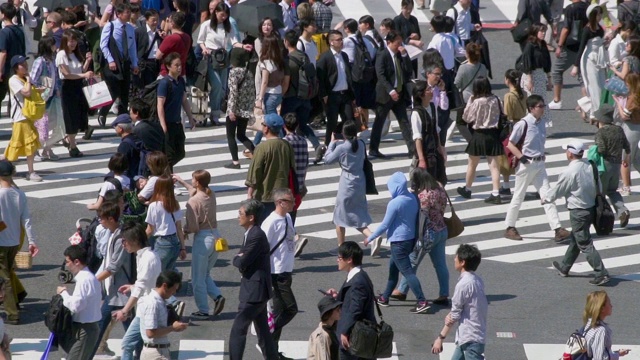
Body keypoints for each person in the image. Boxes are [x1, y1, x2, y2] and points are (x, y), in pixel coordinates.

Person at [503, 95, 571, 242]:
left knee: (548, 196)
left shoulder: (541, 122)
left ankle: (557, 229)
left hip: (540, 164)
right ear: (531, 108)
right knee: (518, 196)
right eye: (540, 106)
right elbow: (510, 143)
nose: (543, 108)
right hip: (526, 165)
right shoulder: (523, 124)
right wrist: (522, 157)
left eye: (543, 105)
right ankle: (509, 227)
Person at [547, 140, 611, 286]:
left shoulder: (569, 171)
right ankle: (564, 267)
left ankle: (601, 273)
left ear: (570, 153)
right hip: (591, 208)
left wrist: (546, 199)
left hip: (578, 211)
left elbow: (559, 189)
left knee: (584, 242)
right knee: (577, 238)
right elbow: (598, 185)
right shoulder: (590, 165)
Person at [366, 172, 429, 314]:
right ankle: (384, 297)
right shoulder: (412, 197)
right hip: (410, 240)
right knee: (393, 271)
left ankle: (421, 300)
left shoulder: (395, 203)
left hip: (398, 242)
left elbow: (384, 225)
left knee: (408, 272)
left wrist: (370, 238)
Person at [228, 199, 279, 360]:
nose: (238, 216)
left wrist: (238, 257)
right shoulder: (251, 233)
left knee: (238, 330)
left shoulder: (256, 235)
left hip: (254, 291)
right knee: (263, 330)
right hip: (257, 289)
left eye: (241, 213)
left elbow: (241, 261)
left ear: (251, 217)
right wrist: (240, 256)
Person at [392, 168, 449, 305]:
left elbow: (420, 215)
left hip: (428, 234)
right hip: (442, 229)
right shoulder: (440, 188)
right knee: (440, 264)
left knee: (412, 261)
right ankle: (444, 293)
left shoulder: (423, 196)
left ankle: (402, 290)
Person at [173, 170, 226, 319]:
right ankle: (217, 296)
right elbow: (194, 191)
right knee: (205, 273)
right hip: (216, 236)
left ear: (198, 182)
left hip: (202, 239)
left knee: (197, 278)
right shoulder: (210, 194)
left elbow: (194, 227)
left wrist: (184, 231)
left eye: (193, 180)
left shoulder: (193, 202)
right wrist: (182, 181)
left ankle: (203, 310)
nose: (192, 182)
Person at [324, 121, 379, 255]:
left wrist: (332, 142)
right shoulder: (360, 143)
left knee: (339, 215)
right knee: (357, 214)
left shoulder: (342, 148)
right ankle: (372, 237)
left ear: (343, 133)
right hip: (360, 181)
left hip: (347, 183)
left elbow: (327, 160)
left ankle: (341, 246)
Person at [90, 201, 133, 359]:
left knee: (101, 328)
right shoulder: (115, 234)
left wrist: (92, 280)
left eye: (102, 218)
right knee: (128, 330)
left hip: (120, 291)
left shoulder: (120, 237)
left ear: (111, 219)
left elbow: (114, 266)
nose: (100, 221)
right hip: (115, 290)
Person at [114, 222, 162, 360]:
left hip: (147, 310)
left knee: (141, 346)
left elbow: (142, 287)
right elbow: (145, 283)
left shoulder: (148, 258)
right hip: (143, 309)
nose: (123, 244)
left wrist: (124, 310)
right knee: (131, 344)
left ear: (134, 240)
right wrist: (132, 286)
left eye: (125, 241)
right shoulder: (142, 256)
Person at [197, 2, 250, 125]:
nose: (224, 17)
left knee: (222, 88)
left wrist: (243, 46)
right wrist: (204, 48)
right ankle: (213, 111)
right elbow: (200, 41)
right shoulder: (206, 25)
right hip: (210, 57)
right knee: (217, 84)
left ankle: (215, 113)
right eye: (221, 14)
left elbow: (234, 41)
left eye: (226, 15)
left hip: (224, 58)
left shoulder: (229, 25)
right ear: (215, 13)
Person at [431, 244, 488, 359]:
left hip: (470, 339)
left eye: (456, 257)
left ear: (462, 262)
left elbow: (455, 315)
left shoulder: (463, 285)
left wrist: (440, 338)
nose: (454, 259)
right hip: (470, 337)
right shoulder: (477, 280)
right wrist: (452, 313)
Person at [0, 160, 38, 325]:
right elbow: (27, 219)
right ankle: (17, 296)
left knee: (4, 277)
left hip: (1, 241)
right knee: (7, 272)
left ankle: (12, 313)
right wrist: (32, 241)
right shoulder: (19, 193)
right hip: (15, 240)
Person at [261, 188, 298, 359]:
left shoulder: (288, 217)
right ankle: (267, 339)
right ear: (279, 202)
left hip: (286, 270)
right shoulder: (271, 222)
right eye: (290, 200)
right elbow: (262, 248)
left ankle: (273, 351)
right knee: (291, 309)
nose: (293, 203)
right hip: (276, 273)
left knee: (279, 312)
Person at [324, 241, 376, 360]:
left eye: (340, 257)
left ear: (349, 260)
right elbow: (353, 300)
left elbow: (355, 309)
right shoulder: (358, 275)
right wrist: (338, 295)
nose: (337, 260)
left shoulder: (358, 281)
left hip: (355, 335)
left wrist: (345, 331)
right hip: (359, 334)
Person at [458, 77, 504, 204]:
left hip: (478, 135)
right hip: (493, 134)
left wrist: (470, 102)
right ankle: (496, 192)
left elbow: (466, 118)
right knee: (494, 166)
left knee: (472, 164)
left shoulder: (476, 102)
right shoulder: (496, 99)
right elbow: (503, 113)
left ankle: (467, 189)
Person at [369, 30, 414, 158]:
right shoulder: (382, 55)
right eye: (397, 43)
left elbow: (409, 70)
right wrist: (390, 90)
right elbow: (381, 75)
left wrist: (405, 56)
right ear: (389, 42)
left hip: (399, 93)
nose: (400, 45)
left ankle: (412, 149)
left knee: (404, 121)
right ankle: (373, 149)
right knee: (380, 121)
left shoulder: (400, 54)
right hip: (385, 94)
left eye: (401, 42)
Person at [245, 113, 296, 222]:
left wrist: (250, 193)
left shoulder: (262, 148)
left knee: (265, 228)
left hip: (265, 195)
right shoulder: (286, 145)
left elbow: (255, 172)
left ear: (267, 128)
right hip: (282, 194)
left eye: (263, 124)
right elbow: (293, 169)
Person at [281, 30, 321, 159]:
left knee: (284, 123)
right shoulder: (304, 56)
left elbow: (286, 81)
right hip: (306, 96)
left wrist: (281, 95)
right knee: (303, 124)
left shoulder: (288, 60)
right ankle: (317, 145)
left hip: (291, 97)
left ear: (286, 42)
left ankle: (285, 149)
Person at [57, 245, 102, 360]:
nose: (66, 265)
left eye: (67, 262)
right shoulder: (90, 277)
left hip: (85, 329)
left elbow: (76, 306)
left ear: (76, 261)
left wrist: (63, 293)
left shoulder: (83, 280)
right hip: (87, 327)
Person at [98, 3, 140, 123]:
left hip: (125, 63)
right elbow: (103, 45)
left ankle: (123, 118)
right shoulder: (110, 26)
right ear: (119, 14)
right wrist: (110, 60)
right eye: (126, 13)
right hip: (112, 63)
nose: (129, 15)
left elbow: (132, 48)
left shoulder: (130, 28)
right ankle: (103, 112)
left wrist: (134, 63)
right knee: (113, 90)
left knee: (124, 91)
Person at [4, 55, 42, 182]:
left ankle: (5, 166)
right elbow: (26, 92)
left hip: (28, 115)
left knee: (17, 144)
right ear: (15, 68)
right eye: (22, 64)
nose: (25, 66)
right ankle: (30, 172)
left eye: (25, 63)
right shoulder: (14, 80)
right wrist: (29, 80)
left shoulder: (23, 78)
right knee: (27, 144)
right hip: (20, 117)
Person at [56, 29, 93, 158]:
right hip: (68, 87)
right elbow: (66, 74)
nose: (72, 43)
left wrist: (87, 61)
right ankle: (73, 146)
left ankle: (68, 139)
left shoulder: (75, 54)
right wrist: (84, 74)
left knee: (79, 117)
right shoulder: (61, 54)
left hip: (78, 86)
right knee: (70, 117)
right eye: (70, 41)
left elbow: (80, 70)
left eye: (74, 41)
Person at [316, 30, 356, 148]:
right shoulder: (325, 58)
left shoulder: (344, 55)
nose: (341, 41)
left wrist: (352, 96)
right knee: (332, 122)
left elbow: (348, 75)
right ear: (331, 42)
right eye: (338, 40)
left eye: (341, 39)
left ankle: (352, 145)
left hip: (345, 95)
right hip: (332, 95)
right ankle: (328, 144)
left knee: (349, 120)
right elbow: (320, 77)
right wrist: (324, 94)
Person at [593, 104, 631, 228]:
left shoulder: (601, 132)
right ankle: (622, 210)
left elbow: (602, 149)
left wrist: (593, 150)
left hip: (605, 164)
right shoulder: (618, 129)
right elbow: (627, 146)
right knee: (613, 191)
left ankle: (603, 218)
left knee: (601, 193)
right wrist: (625, 158)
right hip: (616, 165)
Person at [137, 270, 189, 360]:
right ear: (165, 286)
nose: (174, 292)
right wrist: (173, 327)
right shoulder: (153, 304)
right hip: (156, 354)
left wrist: (175, 327)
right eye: (174, 289)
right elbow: (150, 333)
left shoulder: (160, 301)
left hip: (158, 351)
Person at [157, 52, 195, 170]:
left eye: (180, 65)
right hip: (167, 124)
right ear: (168, 66)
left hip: (177, 123)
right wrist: (163, 125)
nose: (179, 68)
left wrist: (190, 117)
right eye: (176, 65)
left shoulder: (181, 82)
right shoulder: (164, 83)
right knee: (169, 155)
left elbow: (184, 100)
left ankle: (160, 170)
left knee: (180, 153)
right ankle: (167, 180)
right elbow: (160, 105)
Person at [548, 0, 588, 110]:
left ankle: (557, 99)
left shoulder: (571, 9)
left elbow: (566, 29)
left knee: (557, 71)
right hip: (583, 45)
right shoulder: (587, 6)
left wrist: (559, 46)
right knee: (582, 75)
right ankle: (586, 100)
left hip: (570, 45)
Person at [145, 175, 186, 271]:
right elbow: (179, 228)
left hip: (161, 243)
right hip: (175, 243)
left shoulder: (154, 206)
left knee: (157, 274)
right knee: (168, 273)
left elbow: (150, 230)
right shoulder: (175, 204)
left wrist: (138, 242)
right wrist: (183, 248)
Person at [410, 80, 447, 185]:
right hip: (425, 154)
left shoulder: (432, 106)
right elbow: (417, 138)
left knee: (440, 180)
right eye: (428, 89)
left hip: (434, 151)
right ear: (421, 95)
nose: (431, 91)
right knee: (426, 184)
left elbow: (436, 129)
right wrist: (421, 159)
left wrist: (440, 148)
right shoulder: (416, 113)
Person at [224, 47, 255, 169]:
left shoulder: (234, 72)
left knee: (231, 136)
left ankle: (235, 162)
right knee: (241, 135)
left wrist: (231, 109)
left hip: (235, 109)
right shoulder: (249, 72)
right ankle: (256, 153)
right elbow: (252, 92)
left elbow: (233, 92)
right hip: (245, 109)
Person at [574, 4, 606, 122]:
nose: (600, 16)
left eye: (601, 14)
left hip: (600, 58)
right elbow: (581, 48)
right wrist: (575, 66)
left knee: (602, 86)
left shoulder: (599, 28)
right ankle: (596, 114)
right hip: (589, 59)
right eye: (598, 14)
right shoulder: (587, 30)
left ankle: (586, 106)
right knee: (594, 87)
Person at [499, 69, 528, 196]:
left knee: (506, 157)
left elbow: (507, 115)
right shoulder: (524, 94)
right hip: (523, 126)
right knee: (519, 156)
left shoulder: (508, 96)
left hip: (512, 128)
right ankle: (521, 184)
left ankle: (506, 185)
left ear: (507, 80)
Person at [30, 36, 59, 162]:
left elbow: (55, 76)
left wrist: (57, 89)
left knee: (52, 123)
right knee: (39, 125)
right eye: (52, 45)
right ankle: (35, 150)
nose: (55, 47)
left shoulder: (52, 60)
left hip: (51, 96)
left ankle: (47, 148)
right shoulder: (40, 61)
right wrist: (39, 90)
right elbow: (32, 79)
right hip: (41, 98)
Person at [580, 291, 631, 359]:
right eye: (609, 303)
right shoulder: (600, 330)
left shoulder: (588, 325)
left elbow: (596, 352)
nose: (611, 306)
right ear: (602, 308)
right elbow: (600, 358)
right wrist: (616, 355)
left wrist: (618, 353)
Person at [520, 23, 552, 127]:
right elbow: (527, 62)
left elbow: (547, 61)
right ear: (535, 32)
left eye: (544, 31)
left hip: (540, 74)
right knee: (532, 100)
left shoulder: (542, 44)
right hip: (531, 75)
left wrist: (549, 78)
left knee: (542, 100)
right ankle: (530, 124)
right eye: (541, 31)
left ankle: (541, 124)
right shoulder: (530, 45)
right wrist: (529, 80)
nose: (543, 33)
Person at [0, 3, 26, 116]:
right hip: (18, 68)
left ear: (3, 14)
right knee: (15, 99)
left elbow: (3, 53)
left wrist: (0, 71)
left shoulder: (4, 32)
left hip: (6, 69)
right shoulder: (19, 30)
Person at [617, 73, 640, 196]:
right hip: (637, 127)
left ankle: (626, 187)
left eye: (627, 83)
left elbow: (624, 115)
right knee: (636, 158)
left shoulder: (633, 97)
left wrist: (617, 102)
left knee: (625, 158)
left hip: (631, 128)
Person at [155, 11, 190, 81]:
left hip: (167, 74)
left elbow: (158, 56)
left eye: (168, 21)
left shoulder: (170, 39)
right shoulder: (187, 37)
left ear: (172, 24)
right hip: (181, 73)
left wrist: (166, 39)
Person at [134, 9, 162, 91]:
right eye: (153, 20)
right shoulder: (139, 32)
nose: (156, 22)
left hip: (157, 63)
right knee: (147, 87)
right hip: (145, 64)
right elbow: (134, 48)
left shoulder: (160, 33)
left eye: (157, 19)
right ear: (146, 20)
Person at [307, 295, 341, 360]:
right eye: (337, 310)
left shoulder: (330, 330)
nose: (340, 311)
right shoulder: (322, 336)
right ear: (329, 313)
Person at [393, 0, 422, 77]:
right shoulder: (397, 20)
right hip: (402, 50)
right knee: (404, 73)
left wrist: (417, 36)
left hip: (413, 51)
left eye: (411, 8)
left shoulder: (414, 19)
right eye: (406, 8)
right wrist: (411, 41)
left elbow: (419, 34)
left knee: (414, 72)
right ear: (402, 7)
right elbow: (397, 37)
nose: (408, 11)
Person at [112, 114, 142, 180]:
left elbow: (120, 165)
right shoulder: (137, 138)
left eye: (115, 127)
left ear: (120, 129)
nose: (115, 129)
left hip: (131, 177)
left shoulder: (124, 145)